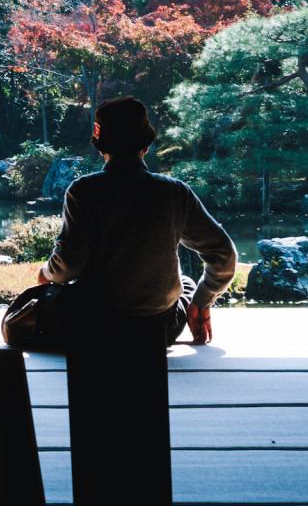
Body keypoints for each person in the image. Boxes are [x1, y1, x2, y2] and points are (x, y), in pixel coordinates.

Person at [37, 95, 237, 345]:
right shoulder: (174, 192)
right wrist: (203, 300)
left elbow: (68, 265)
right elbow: (224, 254)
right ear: (147, 145)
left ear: (101, 147)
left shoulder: (83, 190)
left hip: (92, 326)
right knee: (185, 283)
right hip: (157, 329)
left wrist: (46, 272)